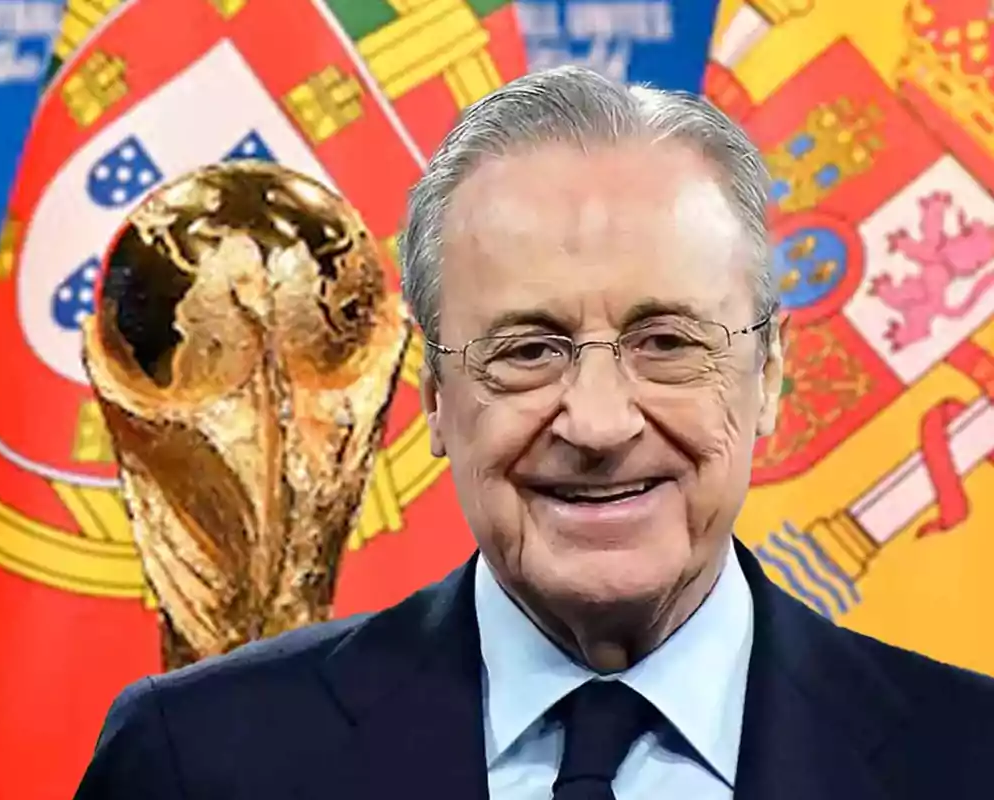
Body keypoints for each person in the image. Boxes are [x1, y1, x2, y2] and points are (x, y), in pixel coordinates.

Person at [73, 66, 994, 800]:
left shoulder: (965, 761)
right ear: (433, 390)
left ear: (770, 376)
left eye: (667, 342)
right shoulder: (198, 763)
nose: (596, 422)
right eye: (528, 350)